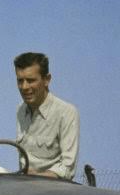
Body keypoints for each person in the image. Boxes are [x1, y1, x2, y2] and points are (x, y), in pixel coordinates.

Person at [14, 52, 79, 180]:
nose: (24, 87)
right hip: (24, 189)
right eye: (20, 81)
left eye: (31, 80)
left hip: (54, 193)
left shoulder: (66, 112)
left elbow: (67, 168)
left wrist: (37, 178)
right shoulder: (20, 110)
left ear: (47, 80)